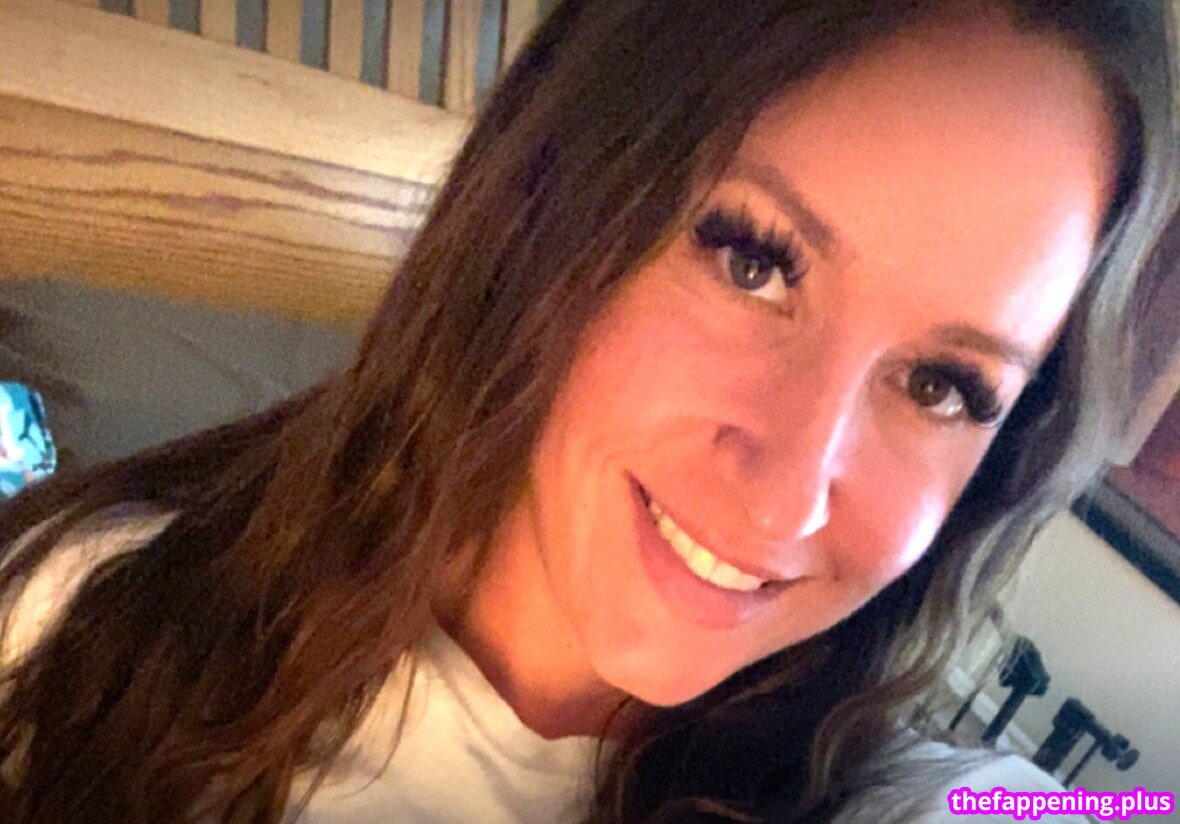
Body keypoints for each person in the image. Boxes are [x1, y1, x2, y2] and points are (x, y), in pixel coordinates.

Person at [0, 1, 1177, 822]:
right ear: (551, 204)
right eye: (752, 260)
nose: (787, 497)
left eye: (941, 385)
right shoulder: (89, 620)